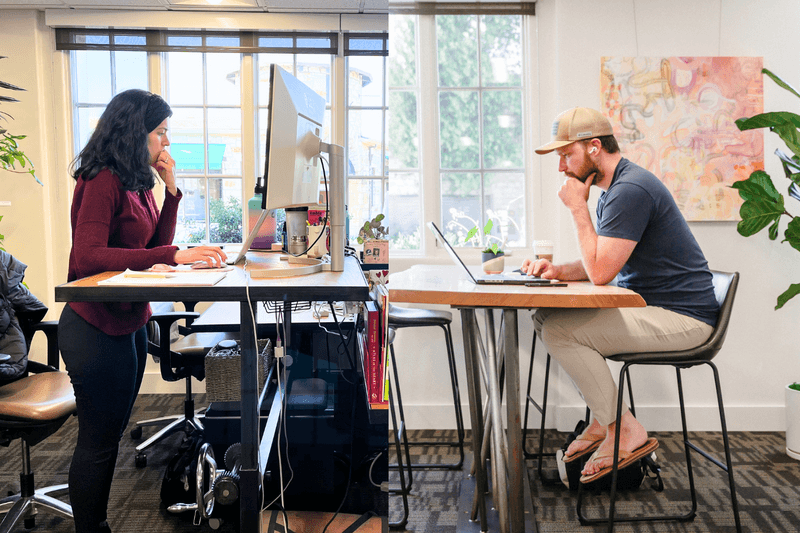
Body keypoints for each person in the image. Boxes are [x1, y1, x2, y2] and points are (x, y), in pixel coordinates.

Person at [58, 89, 226, 533]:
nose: (165, 144)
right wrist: (174, 255)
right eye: (160, 133)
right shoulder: (101, 180)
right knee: (97, 441)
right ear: (135, 133)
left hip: (129, 321)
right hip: (94, 326)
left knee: (111, 436)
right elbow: (89, 255)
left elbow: (150, 249)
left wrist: (170, 193)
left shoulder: (136, 183)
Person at [522, 107, 719, 483]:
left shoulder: (629, 190)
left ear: (594, 147)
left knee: (561, 331)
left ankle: (622, 428)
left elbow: (600, 273)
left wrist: (577, 207)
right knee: (546, 318)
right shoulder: (619, 188)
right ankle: (604, 420)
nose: (562, 167)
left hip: (686, 320)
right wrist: (558, 271)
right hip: (658, 309)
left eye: (566, 155)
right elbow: (604, 258)